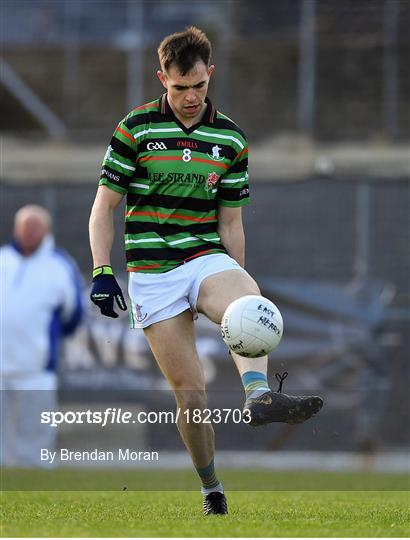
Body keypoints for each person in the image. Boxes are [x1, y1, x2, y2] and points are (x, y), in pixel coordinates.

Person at [89, 27, 323, 514]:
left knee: (249, 303)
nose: (191, 97)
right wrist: (101, 271)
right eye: (179, 88)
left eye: (198, 86)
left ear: (209, 74)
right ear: (162, 79)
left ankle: (258, 395)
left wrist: (233, 286)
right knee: (190, 396)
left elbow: (232, 221)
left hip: (204, 258)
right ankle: (211, 489)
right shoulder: (136, 128)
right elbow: (102, 209)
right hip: (153, 272)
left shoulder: (230, 137)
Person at [0, 205, 83, 467]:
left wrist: (46, 345)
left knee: (35, 435)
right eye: (24, 226)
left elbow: (73, 314)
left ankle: (36, 483)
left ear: (46, 231)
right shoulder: (2, 259)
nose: (28, 232)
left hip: (36, 368)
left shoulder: (59, 264)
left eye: (35, 227)